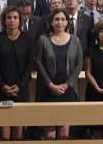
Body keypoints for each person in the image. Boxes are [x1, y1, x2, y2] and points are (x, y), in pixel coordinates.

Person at [35, 8, 83, 140]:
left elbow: (79, 65)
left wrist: (67, 85)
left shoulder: (75, 40)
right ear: (51, 22)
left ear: (67, 22)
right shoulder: (43, 40)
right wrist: (50, 85)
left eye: (63, 19)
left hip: (68, 89)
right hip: (48, 89)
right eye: (56, 19)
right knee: (49, 130)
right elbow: (38, 63)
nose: (59, 22)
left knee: (64, 131)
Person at [0, 6, 34, 140]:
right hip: (1, 88)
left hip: (20, 88)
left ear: (20, 20)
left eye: (15, 18)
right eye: (9, 18)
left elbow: (29, 65)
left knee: (18, 125)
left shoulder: (28, 39)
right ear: (4, 20)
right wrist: (3, 85)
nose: (12, 20)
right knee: (4, 124)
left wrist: (20, 85)